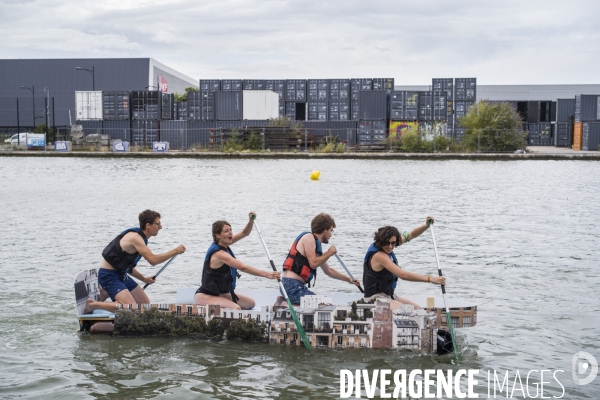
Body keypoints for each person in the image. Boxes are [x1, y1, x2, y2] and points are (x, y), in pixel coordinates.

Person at [84, 210, 186, 313]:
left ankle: (105, 293)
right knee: (131, 308)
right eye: (157, 224)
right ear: (148, 225)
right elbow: (153, 260)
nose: (160, 227)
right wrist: (175, 251)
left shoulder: (141, 239)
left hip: (121, 274)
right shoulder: (135, 238)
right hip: (108, 276)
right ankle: (93, 305)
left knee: (144, 304)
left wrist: (144, 279)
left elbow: (128, 267)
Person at [195, 212, 280, 310]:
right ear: (218, 235)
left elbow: (245, 233)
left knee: (250, 303)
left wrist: (250, 221)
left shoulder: (225, 244)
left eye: (231, 230)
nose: (230, 233)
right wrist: (266, 274)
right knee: (236, 308)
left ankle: (222, 301)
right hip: (205, 295)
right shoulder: (219, 254)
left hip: (219, 294)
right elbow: (242, 267)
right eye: (226, 231)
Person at [276, 213, 360, 306]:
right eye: (331, 230)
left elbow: (328, 271)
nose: (331, 235)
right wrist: (329, 253)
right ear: (325, 230)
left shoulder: (316, 248)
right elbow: (313, 263)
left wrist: (349, 280)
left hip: (295, 286)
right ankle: (285, 306)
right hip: (291, 285)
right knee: (322, 306)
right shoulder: (309, 237)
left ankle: (283, 302)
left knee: (321, 305)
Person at [363, 217, 445, 309]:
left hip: (389, 295)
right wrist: (431, 279)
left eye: (393, 243)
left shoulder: (390, 245)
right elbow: (402, 275)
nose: (390, 246)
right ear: (381, 241)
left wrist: (426, 226)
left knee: (418, 309)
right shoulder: (379, 256)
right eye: (387, 243)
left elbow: (411, 235)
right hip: (375, 299)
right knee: (409, 312)